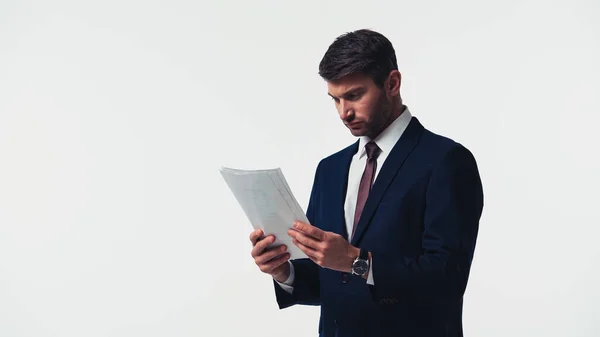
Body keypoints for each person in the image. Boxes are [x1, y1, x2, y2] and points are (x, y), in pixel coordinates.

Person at [249, 29, 484, 337]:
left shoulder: (446, 161)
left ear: (392, 83)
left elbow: (447, 279)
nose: (344, 112)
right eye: (335, 99)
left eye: (354, 95)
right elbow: (330, 282)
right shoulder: (330, 169)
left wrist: (357, 261)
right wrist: (285, 272)